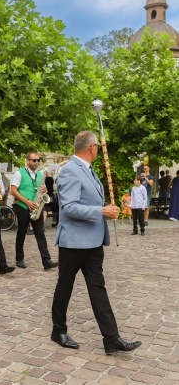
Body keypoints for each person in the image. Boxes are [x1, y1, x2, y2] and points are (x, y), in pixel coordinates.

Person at [51, 131, 141, 355]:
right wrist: (101, 210)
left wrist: (105, 209)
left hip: (92, 242)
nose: (99, 151)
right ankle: (58, 330)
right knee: (65, 287)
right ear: (91, 147)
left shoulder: (88, 170)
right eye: (98, 147)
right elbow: (69, 207)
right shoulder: (70, 170)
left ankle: (111, 338)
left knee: (97, 288)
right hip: (73, 242)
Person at [10, 151, 58, 270]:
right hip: (23, 207)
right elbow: (13, 191)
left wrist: (44, 191)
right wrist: (27, 201)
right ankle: (19, 258)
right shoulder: (19, 173)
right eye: (34, 160)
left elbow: (43, 190)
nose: (36, 162)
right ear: (27, 161)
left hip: (37, 207)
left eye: (38, 160)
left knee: (40, 233)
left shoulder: (40, 175)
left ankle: (46, 260)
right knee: (21, 232)